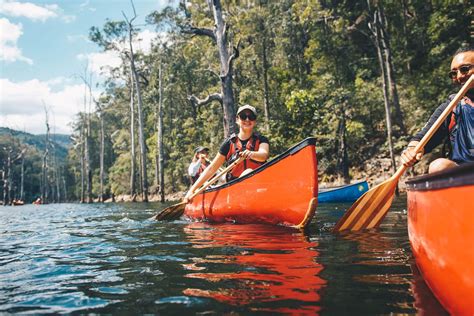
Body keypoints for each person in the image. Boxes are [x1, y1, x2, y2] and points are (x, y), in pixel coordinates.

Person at [401, 46, 474, 173]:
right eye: (454, 73)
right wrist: (411, 151)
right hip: (464, 175)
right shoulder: (451, 107)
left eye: (465, 69)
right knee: (438, 166)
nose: (459, 76)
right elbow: (421, 139)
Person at [184, 104, 270, 202]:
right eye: (243, 117)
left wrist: (252, 154)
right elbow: (211, 169)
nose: (247, 120)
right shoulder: (228, 144)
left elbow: (264, 155)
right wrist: (192, 190)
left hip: (258, 188)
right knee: (227, 177)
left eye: (251, 117)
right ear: (237, 120)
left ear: (255, 121)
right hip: (234, 190)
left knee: (248, 172)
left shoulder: (262, 140)